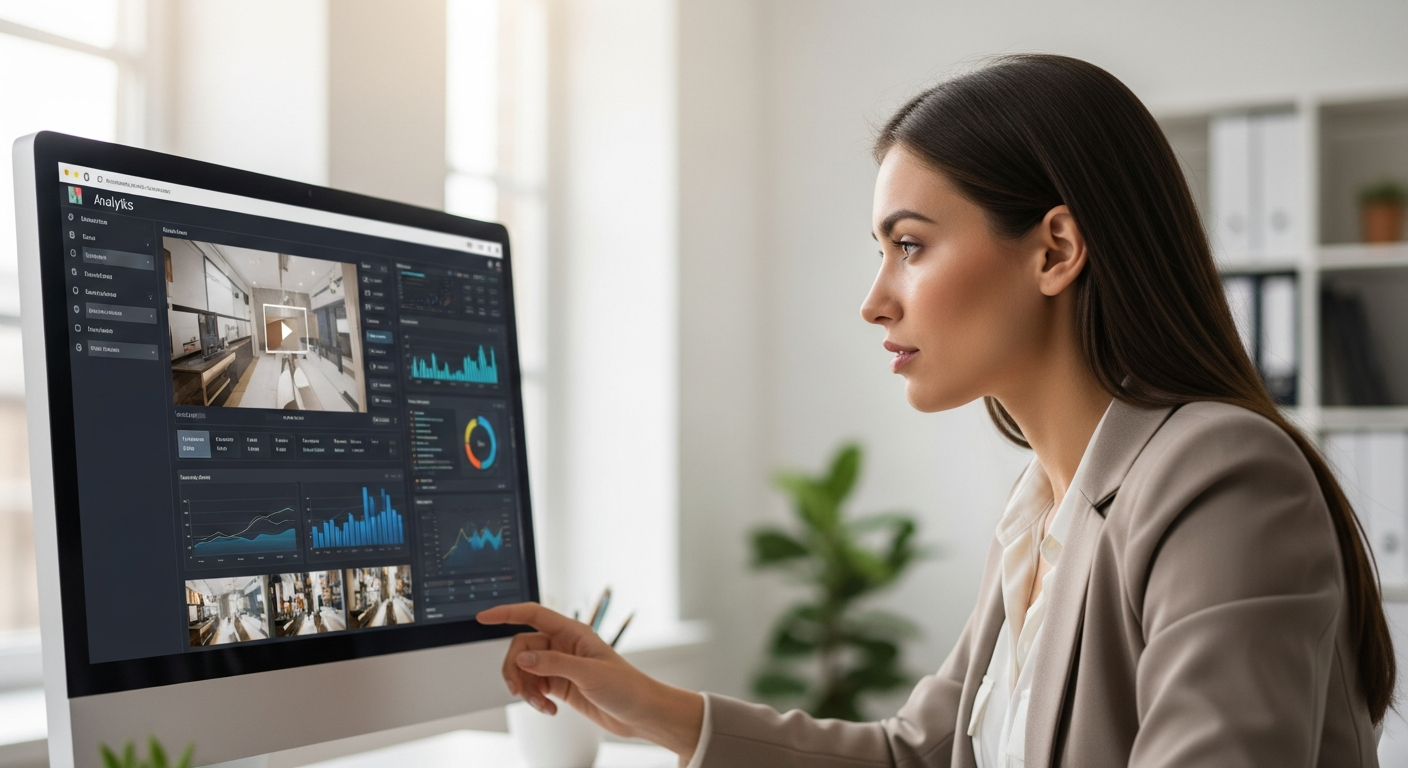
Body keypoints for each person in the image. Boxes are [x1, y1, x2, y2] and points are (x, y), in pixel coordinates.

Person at [477, 54, 1395, 767]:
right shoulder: (1041, 512)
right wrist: (649, 707)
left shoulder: (1221, 477)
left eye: (910, 245)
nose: (875, 300)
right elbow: (916, 756)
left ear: (1055, 249)